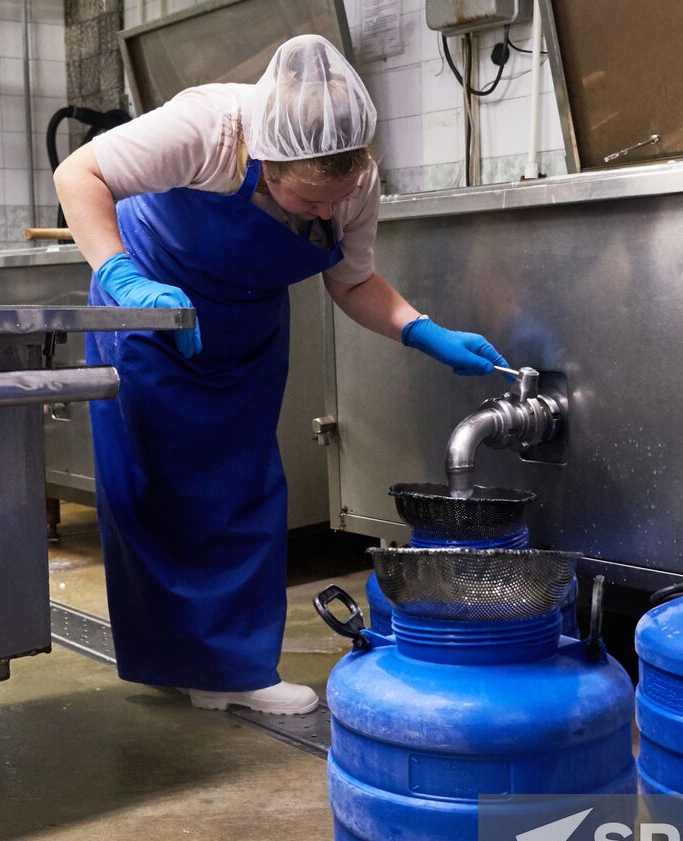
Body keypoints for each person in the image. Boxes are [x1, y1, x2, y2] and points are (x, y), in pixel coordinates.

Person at [54, 35, 507, 715]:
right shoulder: (208, 127)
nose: (324, 216)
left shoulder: (353, 184)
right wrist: (123, 279)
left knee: (243, 489)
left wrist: (421, 329)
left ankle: (233, 670)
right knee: (152, 489)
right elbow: (78, 175)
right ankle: (180, 663)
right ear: (264, 164)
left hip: (245, 335)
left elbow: (351, 281)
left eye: (335, 201)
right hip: (152, 316)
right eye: (309, 205)